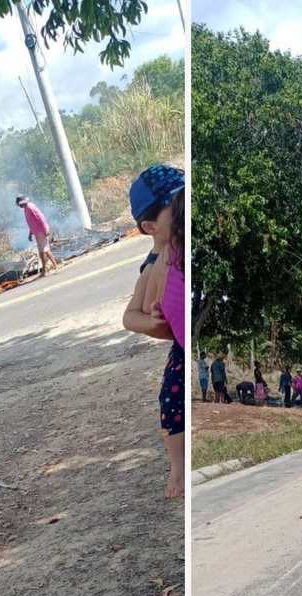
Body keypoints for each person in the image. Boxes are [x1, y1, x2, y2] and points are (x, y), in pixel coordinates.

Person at [120, 164, 185, 499]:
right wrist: (152, 323)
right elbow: (130, 316)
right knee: (171, 400)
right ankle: (178, 466)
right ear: (150, 226)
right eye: (177, 204)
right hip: (178, 341)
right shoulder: (154, 264)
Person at [17, 194, 59, 277]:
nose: (19, 206)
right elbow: (31, 223)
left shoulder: (30, 207)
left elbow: (40, 217)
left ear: (22, 202)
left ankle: (56, 267)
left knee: (46, 250)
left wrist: (46, 229)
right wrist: (30, 233)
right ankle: (44, 270)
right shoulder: (26, 209)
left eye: (19, 204)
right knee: (41, 252)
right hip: (36, 232)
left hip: (41, 231)